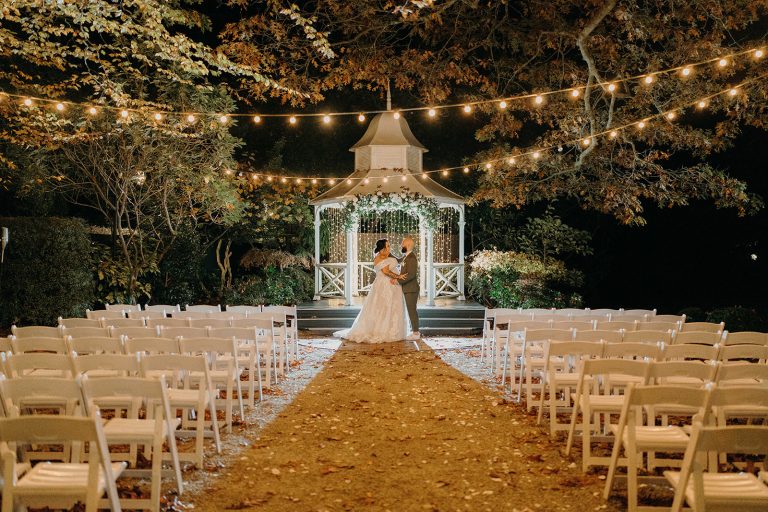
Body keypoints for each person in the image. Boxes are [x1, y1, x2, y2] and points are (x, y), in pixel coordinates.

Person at [333, 239, 410, 343]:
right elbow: (386, 272)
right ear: (382, 249)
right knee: (382, 308)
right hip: (384, 286)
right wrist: (399, 276)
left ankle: (394, 331)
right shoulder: (378, 258)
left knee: (394, 307)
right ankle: (381, 331)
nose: (389, 248)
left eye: (389, 246)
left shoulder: (389, 255)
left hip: (394, 286)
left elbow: (399, 260)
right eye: (387, 246)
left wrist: (407, 254)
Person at [397, 236, 421, 340]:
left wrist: (397, 280)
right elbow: (397, 260)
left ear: (408, 245)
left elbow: (411, 274)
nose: (401, 245)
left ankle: (416, 333)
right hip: (407, 289)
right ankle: (414, 331)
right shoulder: (406, 256)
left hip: (411, 289)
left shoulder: (411, 258)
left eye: (403, 243)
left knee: (412, 310)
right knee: (410, 310)